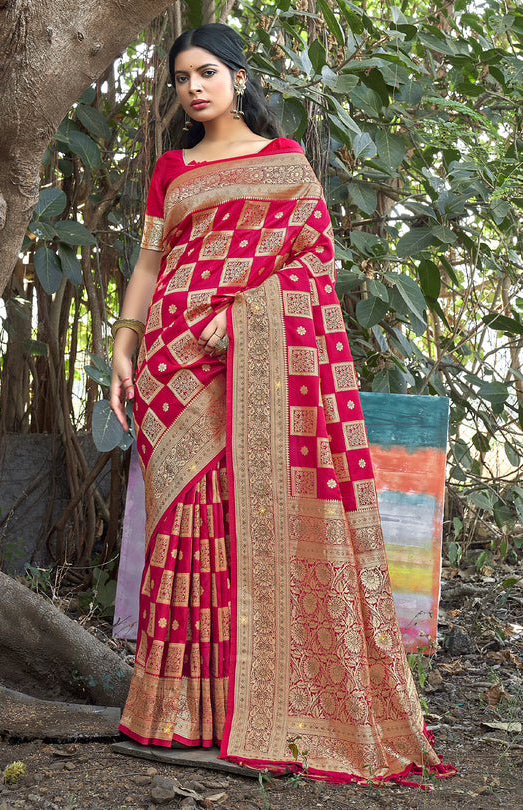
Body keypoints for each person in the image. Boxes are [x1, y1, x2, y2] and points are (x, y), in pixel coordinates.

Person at [110, 22, 454, 787]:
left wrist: (238, 318)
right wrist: (123, 343)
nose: (193, 88)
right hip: (173, 359)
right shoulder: (174, 168)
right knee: (183, 518)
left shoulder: (285, 165)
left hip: (244, 358)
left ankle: (245, 702)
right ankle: (174, 711)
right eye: (181, 79)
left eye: (206, 73)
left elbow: (313, 265)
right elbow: (148, 262)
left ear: (238, 76)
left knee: (245, 515)